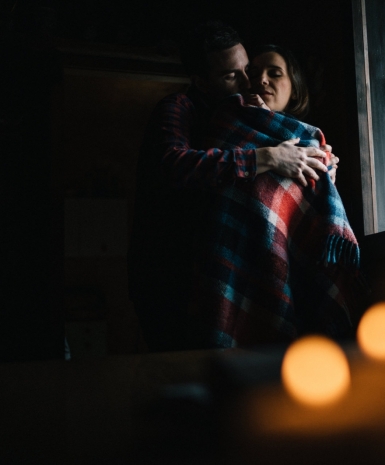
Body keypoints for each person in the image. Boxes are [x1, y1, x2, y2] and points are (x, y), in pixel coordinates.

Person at [127, 22, 339, 352]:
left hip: (236, 266)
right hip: (171, 274)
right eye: (230, 76)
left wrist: (320, 166)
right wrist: (265, 158)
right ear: (201, 81)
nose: (246, 82)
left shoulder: (244, 115)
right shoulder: (181, 108)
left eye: (246, 70)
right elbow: (174, 163)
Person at [189, 44, 365, 348]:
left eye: (275, 73)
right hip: (235, 261)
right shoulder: (226, 124)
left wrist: (324, 173)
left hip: (293, 270)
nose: (262, 80)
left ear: (294, 89)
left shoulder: (314, 146)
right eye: (254, 73)